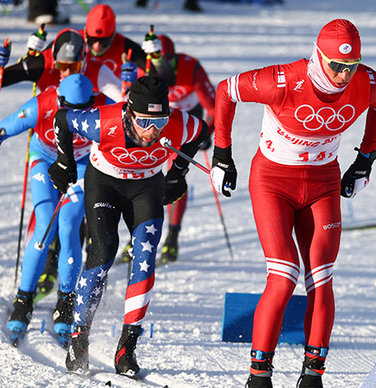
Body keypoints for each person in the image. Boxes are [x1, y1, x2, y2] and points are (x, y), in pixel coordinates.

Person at [211, 19, 376, 388]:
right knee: (283, 275)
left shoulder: (367, 82)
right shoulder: (282, 80)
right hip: (273, 183)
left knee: (322, 278)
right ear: (318, 55)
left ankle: (313, 375)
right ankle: (258, 375)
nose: (343, 75)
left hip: (322, 184)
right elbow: (226, 91)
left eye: (351, 66)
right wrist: (223, 154)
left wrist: (365, 159)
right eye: (336, 65)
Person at [49, 76, 208, 376]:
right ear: (129, 113)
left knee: (145, 259)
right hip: (104, 184)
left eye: (160, 122)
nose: (152, 131)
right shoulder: (102, 121)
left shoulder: (179, 123)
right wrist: (63, 161)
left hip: (146, 187)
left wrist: (178, 172)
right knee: (104, 253)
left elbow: (201, 131)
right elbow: (62, 119)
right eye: (145, 121)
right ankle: (78, 337)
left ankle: (127, 347)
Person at [1, 74, 108, 345]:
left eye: (80, 109)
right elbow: (8, 126)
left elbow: (128, 122)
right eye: (68, 108)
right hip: (45, 160)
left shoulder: (101, 105)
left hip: (82, 166)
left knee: (70, 226)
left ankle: (66, 303)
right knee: (45, 225)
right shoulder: (44, 103)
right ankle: (23, 300)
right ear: (59, 99)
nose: (74, 115)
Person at [119, 33, 216, 264]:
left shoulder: (191, 67)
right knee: (141, 174)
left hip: (183, 121)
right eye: (159, 61)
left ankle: (172, 236)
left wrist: (206, 134)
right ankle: (135, 236)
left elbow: (213, 108)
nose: (165, 67)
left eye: (169, 60)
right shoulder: (143, 70)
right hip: (151, 123)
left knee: (174, 175)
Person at [1, 28, 123, 102]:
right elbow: (4, 79)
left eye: (74, 67)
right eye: (62, 66)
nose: (68, 73)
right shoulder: (41, 64)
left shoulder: (97, 69)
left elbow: (125, 103)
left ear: (84, 62)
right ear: (54, 61)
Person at [81, 4, 174, 85]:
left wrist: (156, 57)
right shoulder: (73, 39)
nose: (97, 46)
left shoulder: (126, 46)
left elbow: (166, 80)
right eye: (92, 40)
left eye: (104, 41)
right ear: (85, 32)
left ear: (113, 35)